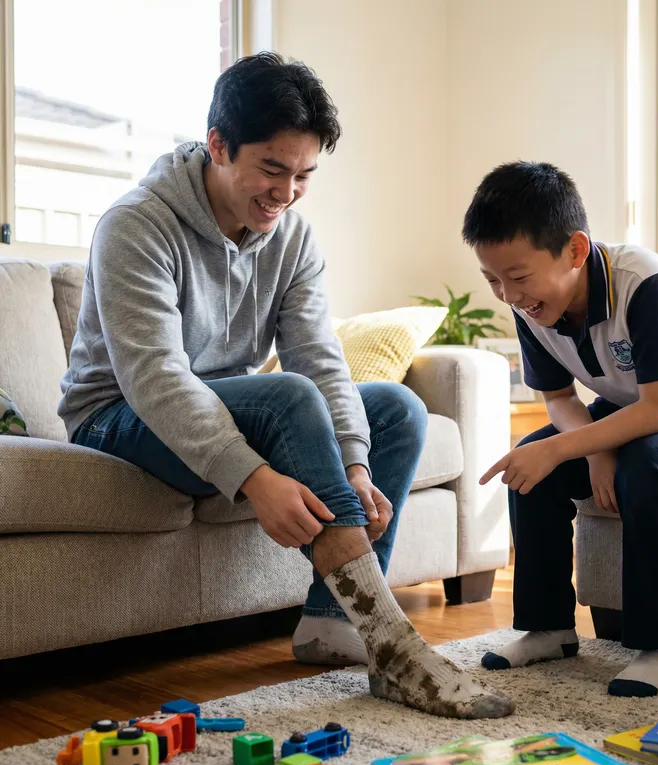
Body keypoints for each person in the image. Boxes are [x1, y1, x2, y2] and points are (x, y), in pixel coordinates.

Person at [58, 52, 513, 720]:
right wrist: (252, 475)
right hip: (119, 415)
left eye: (304, 174)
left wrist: (354, 460)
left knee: (394, 409)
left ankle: (334, 625)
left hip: (220, 404)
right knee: (289, 394)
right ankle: (390, 640)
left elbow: (319, 354)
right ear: (218, 145)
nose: (287, 191)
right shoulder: (137, 225)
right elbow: (155, 379)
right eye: (272, 169)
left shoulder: (291, 237)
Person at [462, 161, 658, 697]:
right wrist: (589, 453)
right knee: (529, 463)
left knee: (648, 463)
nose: (508, 295)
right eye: (492, 279)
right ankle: (549, 627)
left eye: (518, 276)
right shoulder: (529, 305)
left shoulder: (645, 283)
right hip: (636, 403)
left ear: (576, 251)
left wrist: (590, 449)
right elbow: (559, 398)